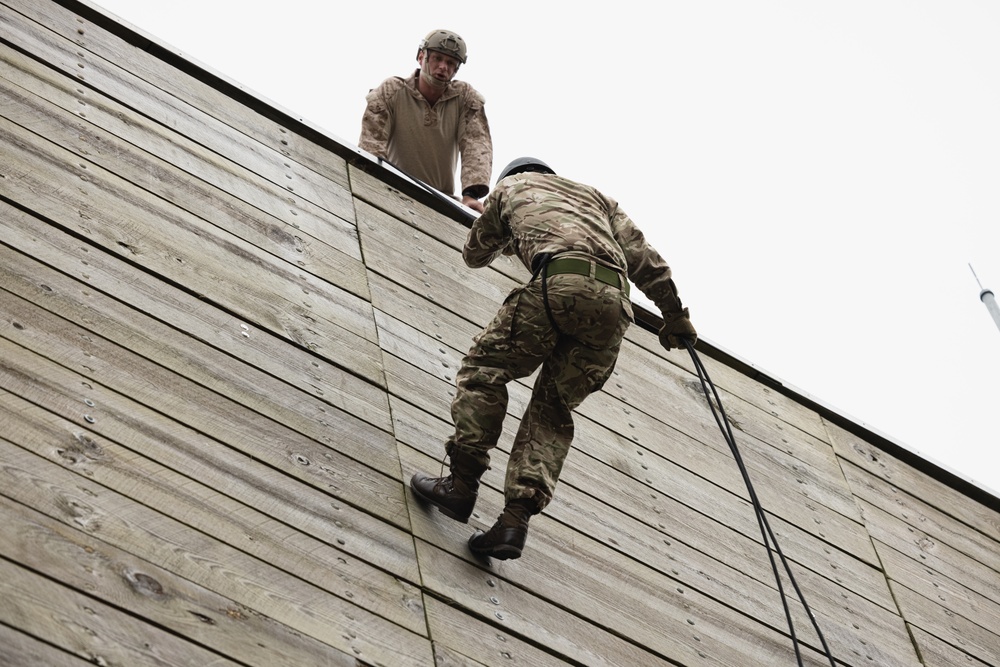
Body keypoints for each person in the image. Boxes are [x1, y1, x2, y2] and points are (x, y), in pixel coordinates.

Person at [410, 157, 697, 560]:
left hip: (557, 282)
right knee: (553, 409)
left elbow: (474, 254)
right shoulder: (597, 199)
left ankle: (460, 487)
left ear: (512, 176)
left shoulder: (510, 188)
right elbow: (646, 260)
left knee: (484, 371)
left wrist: (510, 236)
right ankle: (513, 522)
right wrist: (675, 317)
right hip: (614, 306)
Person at [359, 29, 493, 213]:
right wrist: (374, 179)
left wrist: (471, 194)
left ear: (456, 69)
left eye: (450, 62)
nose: (443, 67)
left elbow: (476, 143)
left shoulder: (464, 98)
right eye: (437, 58)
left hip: (441, 201)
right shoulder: (392, 91)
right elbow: (371, 145)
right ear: (421, 57)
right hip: (392, 188)